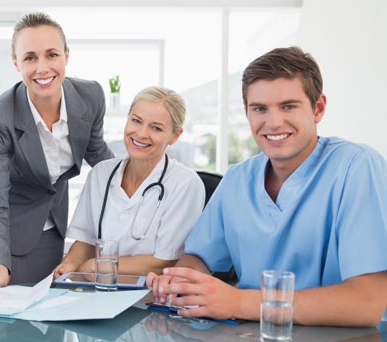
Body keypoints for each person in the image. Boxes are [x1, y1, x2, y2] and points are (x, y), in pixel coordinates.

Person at [148, 47, 387, 327]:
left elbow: (367, 302)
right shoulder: (237, 179)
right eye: (259, 108)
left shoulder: (357, 167)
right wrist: (182, 282)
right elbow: (200, 256)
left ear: (318, 108)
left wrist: (238, 303)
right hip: (249, 336)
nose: (273, 122)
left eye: (288, 106)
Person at [0, 12, 113, 288]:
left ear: (66, 56)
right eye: (30, 58)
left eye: (51, 55)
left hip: (54, 224)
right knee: (14, 320)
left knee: (51, 319)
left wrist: (137, 180)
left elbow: (97, 153)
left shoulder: (91, 96)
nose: (42, 68)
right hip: (12, 229)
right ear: (16, 63)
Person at [53, 87, 204, 278]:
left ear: (175, 136)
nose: (141, 133)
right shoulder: (101, 173)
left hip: (150, 298)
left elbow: (165, 261)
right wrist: (67, 266)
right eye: (136, 121)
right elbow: (87, 239)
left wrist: (97, 266)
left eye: (156, 128)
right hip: (99, 291)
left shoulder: (185, 184)